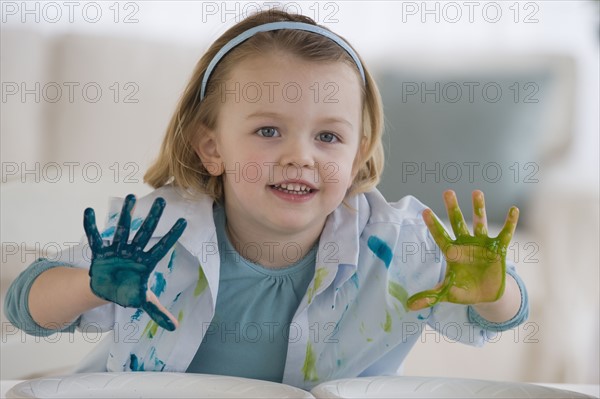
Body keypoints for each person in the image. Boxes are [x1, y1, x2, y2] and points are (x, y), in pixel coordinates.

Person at [5, 9, 528, 390]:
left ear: (359, 151)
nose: (300, 157)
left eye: (328, 137)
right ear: (212, 146)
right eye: (269, 131)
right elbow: (24, 306)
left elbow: (498, 317)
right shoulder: (151, 236)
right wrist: (91, 287)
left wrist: (492, 291)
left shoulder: (395, 243)